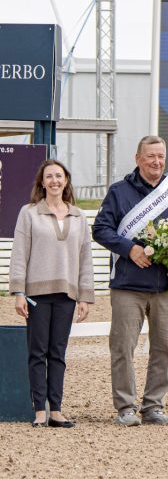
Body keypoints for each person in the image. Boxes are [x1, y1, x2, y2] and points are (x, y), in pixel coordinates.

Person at [92, 135, 168, 426]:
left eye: (161, 156)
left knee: (163, 347)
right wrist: (131, 249)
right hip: (128, 286)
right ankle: (125, 406)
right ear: (138, 159)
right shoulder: (119, 192)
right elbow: (100, 229)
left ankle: (153, 406)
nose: (156, 161)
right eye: (150, 156)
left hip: (165, 286)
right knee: (123, 347)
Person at [9, 159, 93, 428]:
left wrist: (85, 296)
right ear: (42, 182)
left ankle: (56, 409)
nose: (55, 180)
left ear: (66, 180)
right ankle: (39, 411)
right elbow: (19, 254)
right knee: (37, 352)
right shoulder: (29, 213)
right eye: (49, 177)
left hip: (66, 295)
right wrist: (19, 292)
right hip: (37, 294)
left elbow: (85, 258)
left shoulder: (78, 216)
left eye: (59, 176)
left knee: (58, 352)